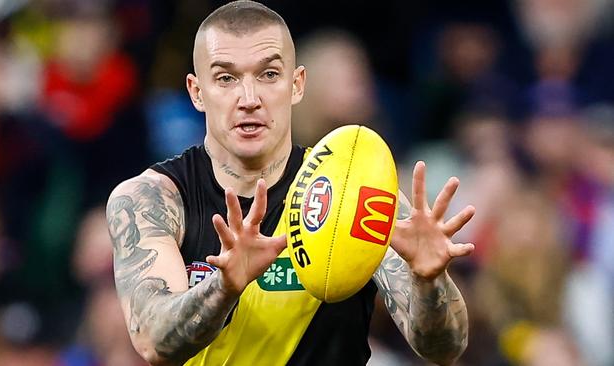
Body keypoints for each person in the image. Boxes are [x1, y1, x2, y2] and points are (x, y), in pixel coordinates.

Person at [106, 2, 476, 365]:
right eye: (225, 78)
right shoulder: (153, 197)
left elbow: (444, 348)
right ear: (197, 92)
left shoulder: (354, 191)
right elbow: (154, 342)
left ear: (297, 85)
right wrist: (225, 287)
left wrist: (429, 281)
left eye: (268, 75)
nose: (249, 99)